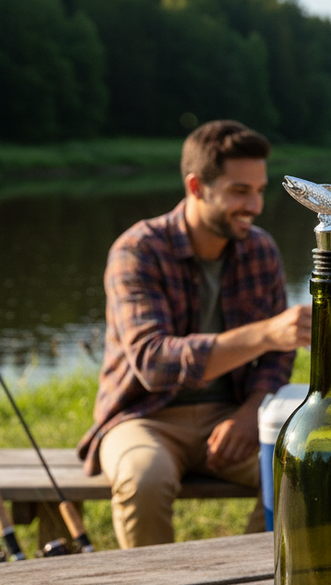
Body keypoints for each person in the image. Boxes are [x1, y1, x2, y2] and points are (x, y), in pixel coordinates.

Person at [78, 120, 311, 547]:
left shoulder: (261, 249)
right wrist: (263, 334)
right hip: (143, 417)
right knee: (143, 481)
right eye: (240, 191)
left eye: (260, 190)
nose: (256, 205)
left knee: (299, 470)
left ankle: (251, 581)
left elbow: (278, 362)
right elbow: (154, 364)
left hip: (233, 414)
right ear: (196, 186)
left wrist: (249, 413)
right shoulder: (137, 249)